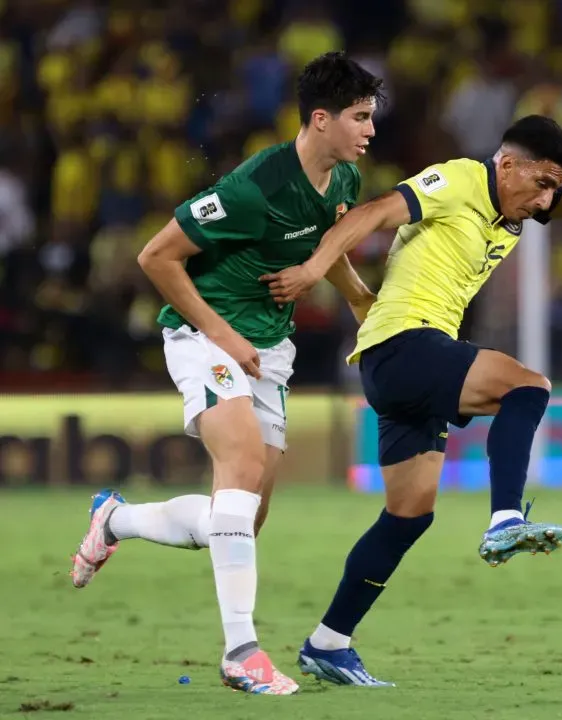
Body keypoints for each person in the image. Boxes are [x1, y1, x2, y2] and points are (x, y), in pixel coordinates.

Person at [261, 114, 562, 686]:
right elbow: (370, 214)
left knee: (408, 514)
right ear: (506, 164)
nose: (545, 201)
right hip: (404, 344)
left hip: (402, 364)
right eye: (540, 183)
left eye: (553, 189)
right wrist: (316, 271)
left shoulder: (524, 204)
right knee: (528, 386)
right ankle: (505, 518)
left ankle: (328, 643)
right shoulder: (459, 180)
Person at [69, 52, 383, 696]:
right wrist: (224, 333)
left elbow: (329, 246)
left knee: (239, 517)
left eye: (371, 117)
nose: (370, 131)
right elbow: (155, 257)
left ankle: (115, 521)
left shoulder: (345, 181)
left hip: (269, 349)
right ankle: (242, 652)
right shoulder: (253, 187)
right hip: (203, 334)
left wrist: (362, 305)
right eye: (359, 117)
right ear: (320, 119)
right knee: (237, 466)